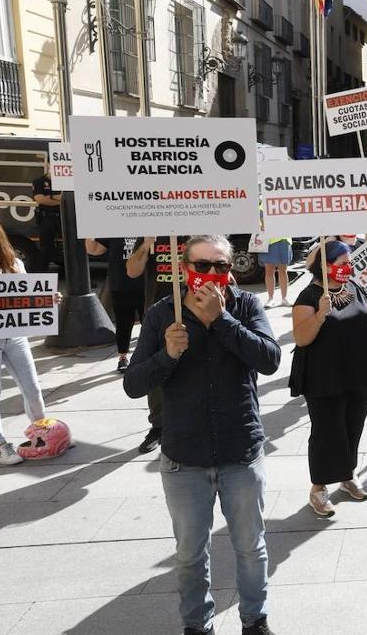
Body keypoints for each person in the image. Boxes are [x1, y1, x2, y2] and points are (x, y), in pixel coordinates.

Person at [124, 235, 280, 635]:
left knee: (250, 547)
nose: (213, 275)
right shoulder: (163, 313)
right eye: (203, 266)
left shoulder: (245, 305)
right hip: (184, 459)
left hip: (239, 452)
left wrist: (222, 321)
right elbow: (134, 383)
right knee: (191, 554)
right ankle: (197, 625)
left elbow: (270, 359)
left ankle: (254, 620)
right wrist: (167, 354)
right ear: (184, 267)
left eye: (221, 267)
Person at [291, 241, 367, 517]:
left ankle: (347, 475)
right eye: (341, 264)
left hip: (358, 370)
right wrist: (322, 314)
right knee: (327, 432)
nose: (347, 268)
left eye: (349, 263)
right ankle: (318, 488)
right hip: (324, 376)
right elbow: (301, 338)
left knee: (352, 426)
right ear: (324, 266)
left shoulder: (355, 287)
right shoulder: (308, 297)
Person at [125, 235, 189, 454]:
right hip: (157, 313)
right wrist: (145, 244)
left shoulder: (198, 227)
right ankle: (158, 426)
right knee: (157, 368)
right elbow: (132, 271)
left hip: (195, 309)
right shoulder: (150, 231)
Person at [0, 220, 50, 466]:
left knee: (32, 387)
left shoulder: (14, 265)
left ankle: (42, 432)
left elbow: (29, 296)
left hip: (14, 334)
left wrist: (48, 300)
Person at [85, 237, 144, 373]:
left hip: (146, 284)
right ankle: (122, 357)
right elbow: (93, 250)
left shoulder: (147, 226)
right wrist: (88, 232)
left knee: (148, 323)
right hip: (121, 284)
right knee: (123, 323)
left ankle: (147, 355)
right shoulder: (114, 228)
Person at [29, 169, 63, 270]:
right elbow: (40, 199)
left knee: (73, 246)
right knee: (45, 248)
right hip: (46, 217)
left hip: (64, 217)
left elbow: (71, 198)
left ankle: (76, 278)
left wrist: (50, 197)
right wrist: (58, 199)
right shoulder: (39, 181)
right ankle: (42, 276)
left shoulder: (66, 181)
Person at [259, 236, 291, 308]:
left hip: (284, 239)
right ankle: (270, 298)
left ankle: (284, 298)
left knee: (283, 271)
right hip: (269, 241)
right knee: (269, 271)